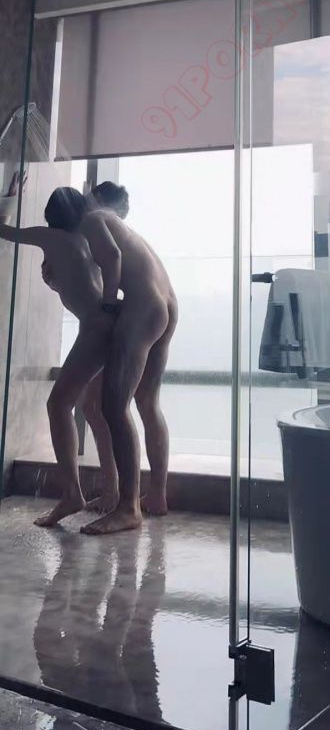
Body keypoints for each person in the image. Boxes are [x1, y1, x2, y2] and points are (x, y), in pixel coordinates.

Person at [0, 186, 115, 527]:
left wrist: (10, 195)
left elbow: (4, 230)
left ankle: (72, 494)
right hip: (107, 327)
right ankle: (112, 491)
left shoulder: (50, 236)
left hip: (94, 330)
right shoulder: (85, 241)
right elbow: (79, 284)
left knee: (58, 405)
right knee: (95, 410)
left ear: (51, 215)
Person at [77, 196, 177, 536]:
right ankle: (157, 495)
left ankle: (128, 507)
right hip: (166, 304)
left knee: (112, 407)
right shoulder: (131, 234)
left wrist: (107, 306)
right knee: (148, 403)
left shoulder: (94, 219)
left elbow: (110, 266)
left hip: (142, 308)